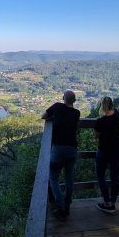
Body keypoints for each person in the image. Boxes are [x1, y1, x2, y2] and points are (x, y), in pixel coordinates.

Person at [42, 90, 80, 219]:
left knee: (53, 177)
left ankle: (61, 205)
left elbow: (44, 116)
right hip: (72, 149)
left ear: (63, 98)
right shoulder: (77, 113)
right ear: (74, 101)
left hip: (58, 148)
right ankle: (67, 203)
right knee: (69, 178)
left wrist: (53, 118)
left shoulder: (57, 106)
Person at [93, 97, 119, 214]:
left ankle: (106, 202)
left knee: (101, 175)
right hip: (117, 149)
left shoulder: (100, 121)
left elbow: (96, 136)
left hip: (104, 150)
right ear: (112, 104)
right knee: (115, 176)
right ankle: (113, 202)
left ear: (102, 105)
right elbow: (117, 111)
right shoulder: (117, 116)